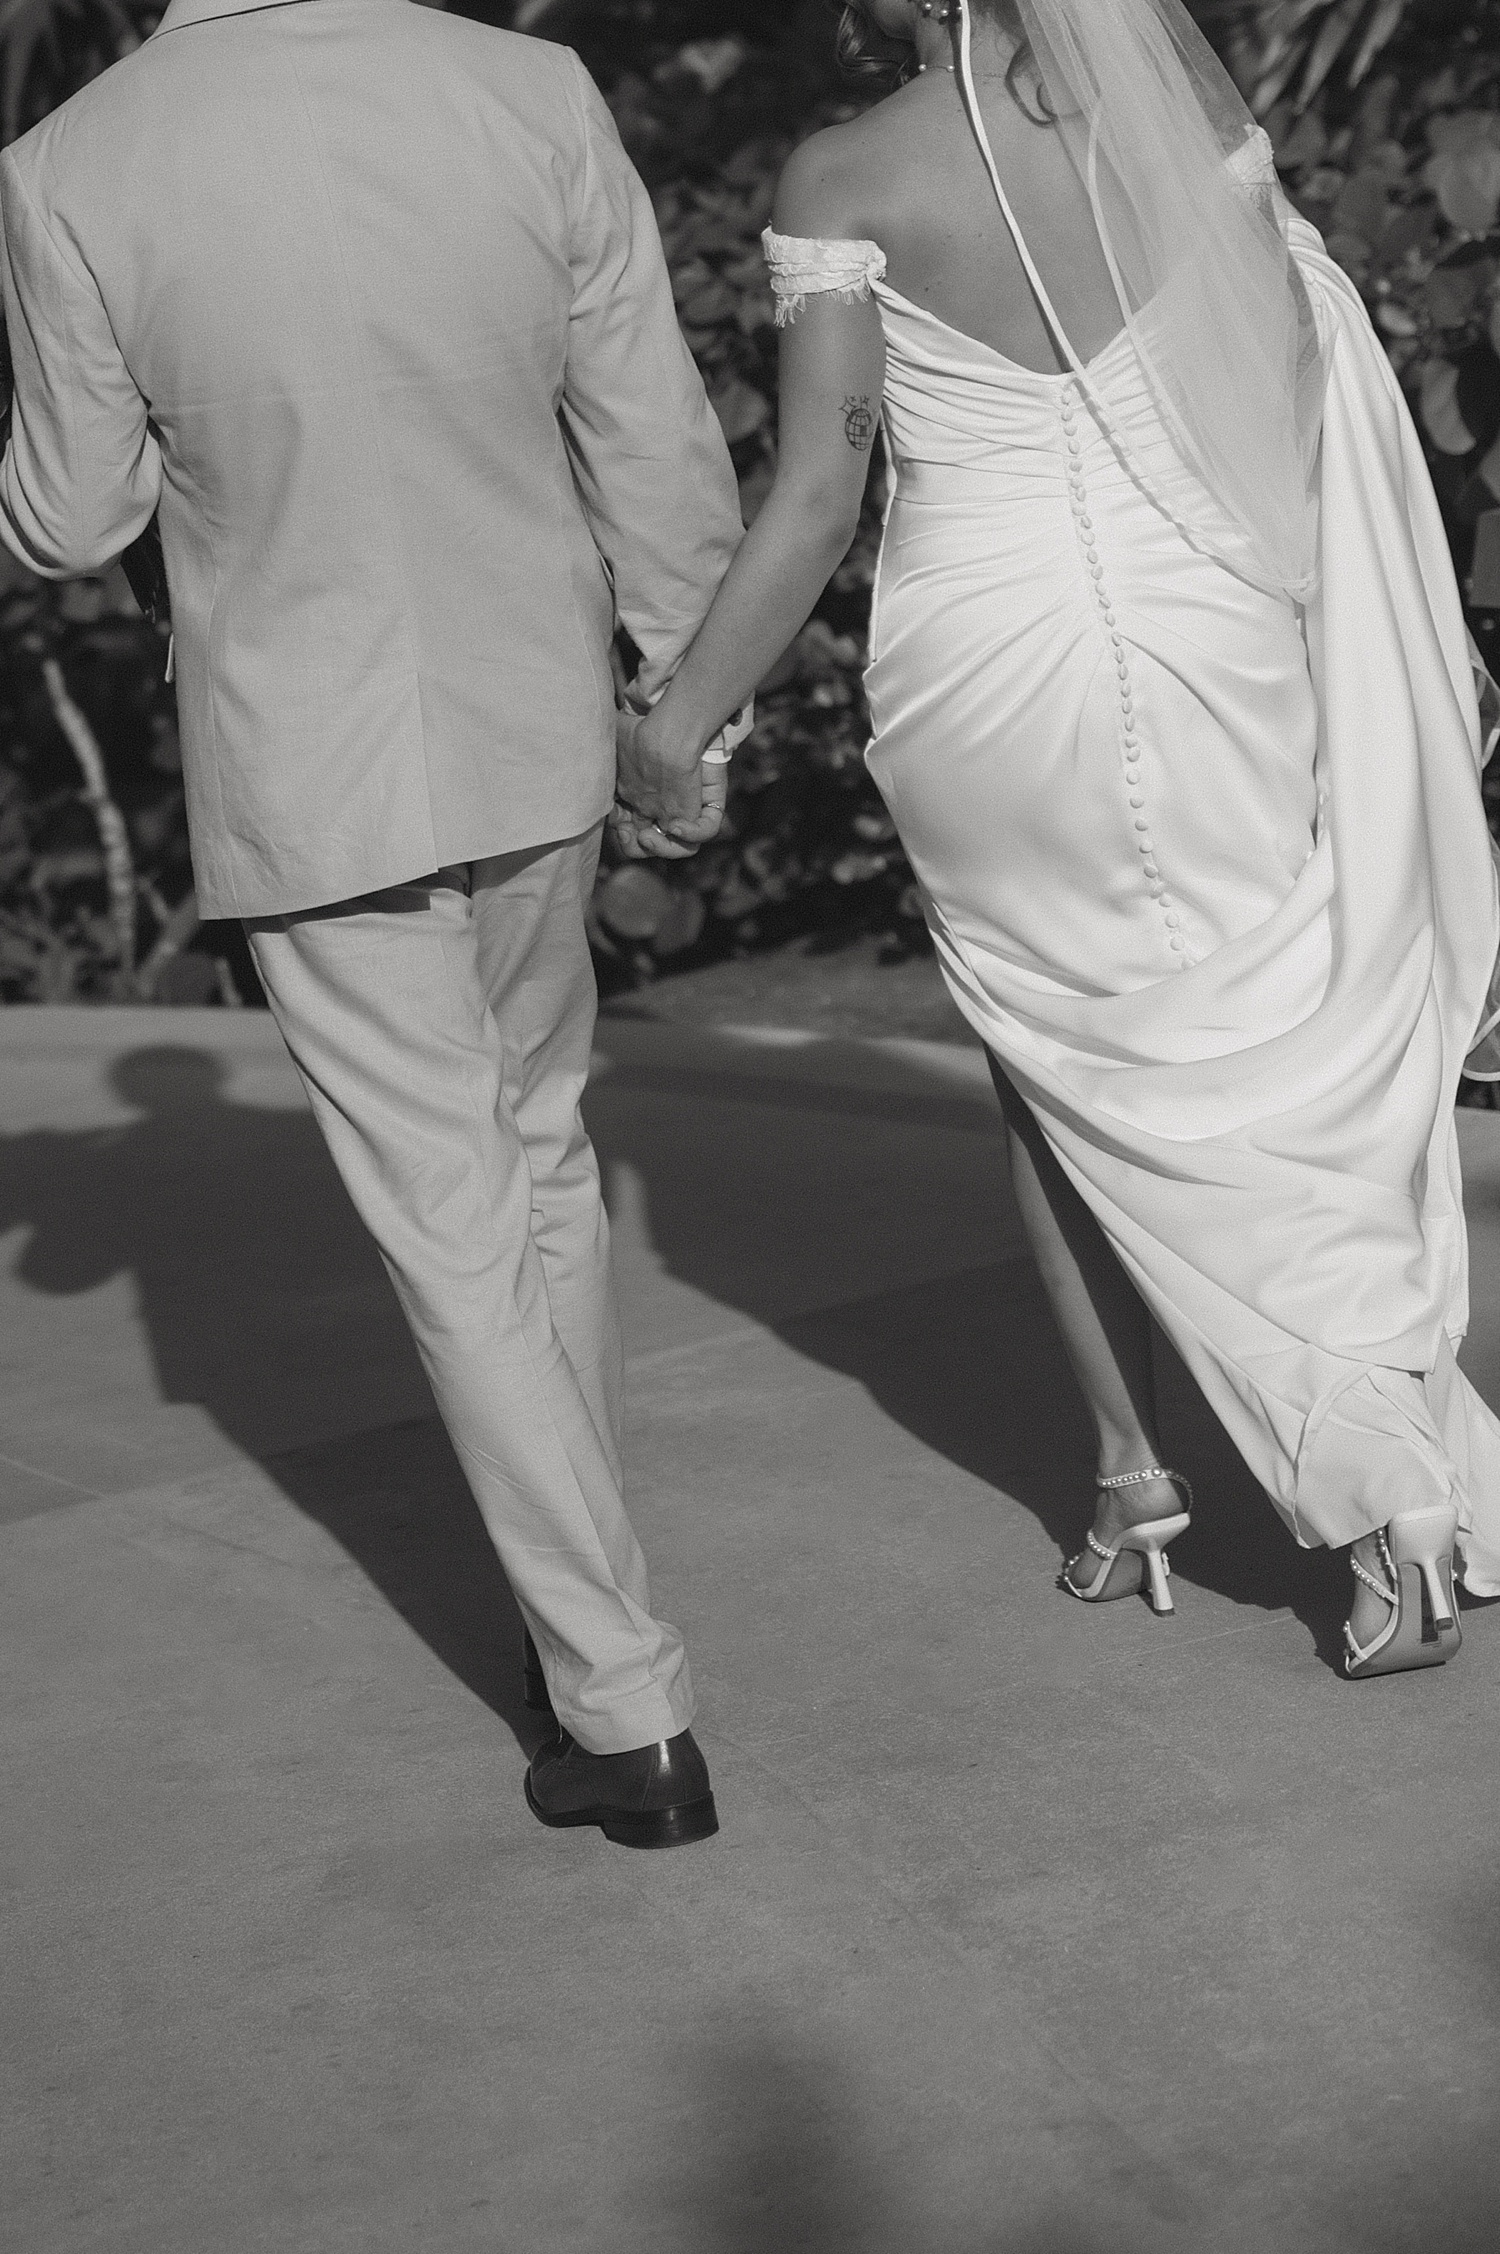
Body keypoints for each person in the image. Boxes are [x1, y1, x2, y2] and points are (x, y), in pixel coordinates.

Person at [616, 0, 1500, 1678]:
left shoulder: (843, 172)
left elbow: (817, 494)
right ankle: (1369, 1482)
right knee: (1277, 1036)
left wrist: (680, 719)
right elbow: (1301, 375)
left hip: (988, 662)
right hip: (1214, 625)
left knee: (1052, 1063)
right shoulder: (1178, 119)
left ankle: (1143, 1475)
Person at [0, 0, 747, 1844]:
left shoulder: (74, 160)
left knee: (451, 1214)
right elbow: (649, 431)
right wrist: (687, 696)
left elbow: (74, 515)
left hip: (309, 761)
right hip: (537, 731)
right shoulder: (527, 89)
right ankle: (577, 1619)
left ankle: (622, 1694)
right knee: (537, 1156)